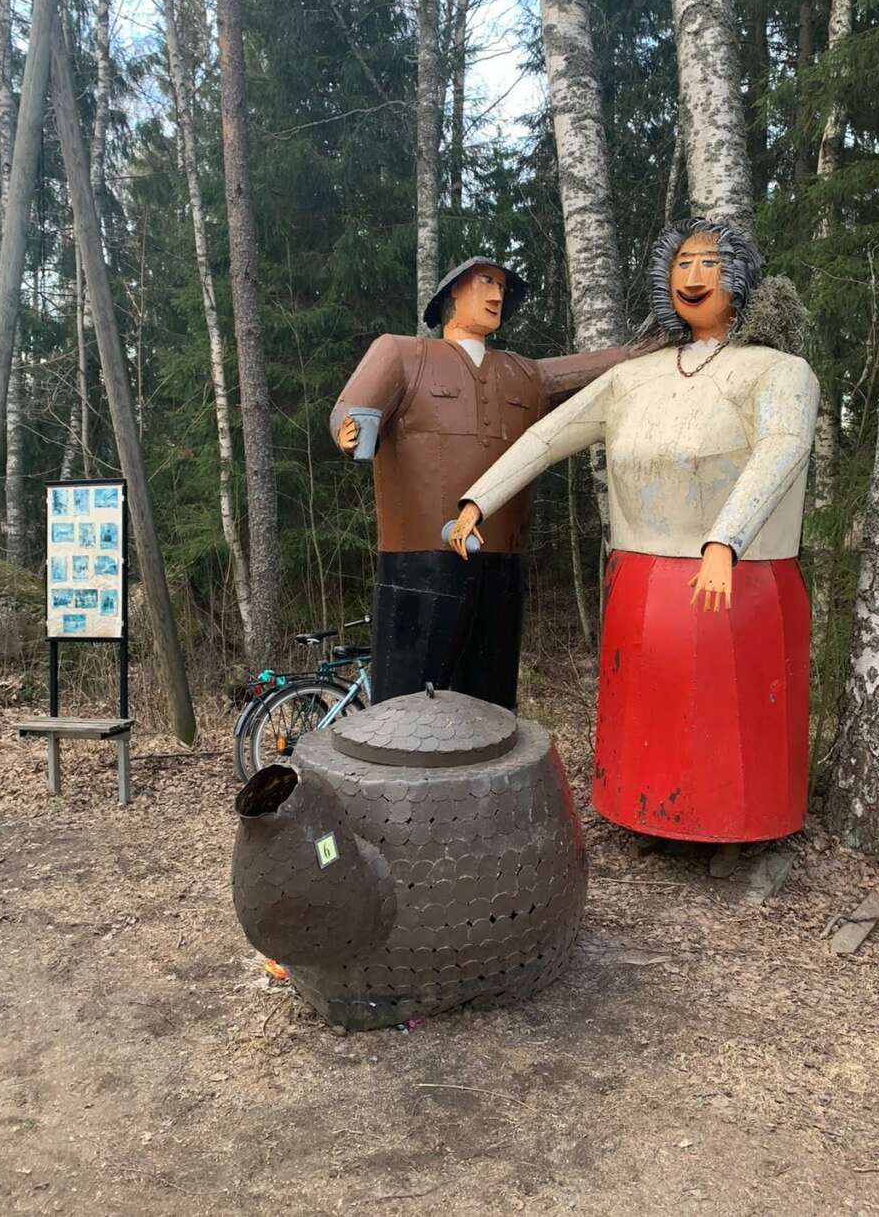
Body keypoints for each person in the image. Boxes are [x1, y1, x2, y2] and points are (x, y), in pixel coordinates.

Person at [448, 221, 819, 874]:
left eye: (709, 262)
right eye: (682, 263)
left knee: (727, 714)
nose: (693, 277)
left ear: (741, 277)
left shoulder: (779, 371)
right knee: (653, 707)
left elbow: (782, 449)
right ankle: (651, 813)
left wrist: (724, 540)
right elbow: (548, 436)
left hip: (739, 580)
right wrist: (479, 499)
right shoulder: (632, 379)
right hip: (642, 582)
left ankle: (733, 830)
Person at [331, 257, 638, 707]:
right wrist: (349, 429)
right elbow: (353, 407)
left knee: (491, 698)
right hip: (418, 562)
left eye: (502, 287)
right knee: (408, 698)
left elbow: (588, 367)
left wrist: (648, 348)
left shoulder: (525, 373)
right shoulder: (402, 354)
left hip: (503, 562)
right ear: (452, 292)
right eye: (486, 283)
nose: (497, 295)